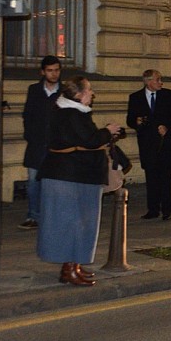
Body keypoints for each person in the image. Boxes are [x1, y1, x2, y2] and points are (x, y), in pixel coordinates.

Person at [36, 77, 123, 286]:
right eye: (89, 90)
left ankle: (72, 267)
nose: (92, 94)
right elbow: (89, 140)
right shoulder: (71, 114)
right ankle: (69, 269)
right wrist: (108, 131)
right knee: (73, 223)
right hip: (71, 177)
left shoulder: (68, 111)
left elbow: (82, 139)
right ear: (78, 94)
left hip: (74, 175)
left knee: (78, 222)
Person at [126, 69, 171, 220]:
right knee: (151, 177)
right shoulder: (136, 97)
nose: (160, 82)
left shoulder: (168, 95)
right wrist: (136, 121)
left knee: (166, 178)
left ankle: (167, 209)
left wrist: (167, 126)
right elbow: (130, 119)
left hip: (165, 144)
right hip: (148, 144)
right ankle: (153, 209)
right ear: (148, 82)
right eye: (157, 80)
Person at [20, 55, 62, 230]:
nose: (54, 74)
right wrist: (30, 136)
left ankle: (51, 217)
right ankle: (33, 215)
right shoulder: (35, 90)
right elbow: (28, 115)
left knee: (54, 183)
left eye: (57, 70)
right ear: (43, 72)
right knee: (33, 182)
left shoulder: (64, 91)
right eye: (50, 71)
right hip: (36, 145)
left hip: (57, 146)